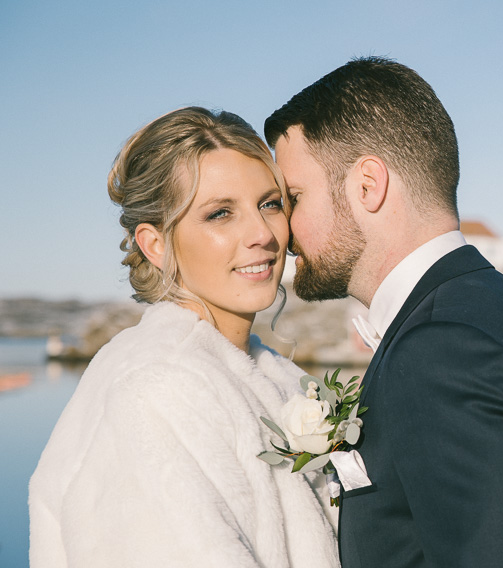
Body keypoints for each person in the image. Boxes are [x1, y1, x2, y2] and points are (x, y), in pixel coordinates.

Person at [265, 57, 503, 567]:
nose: (285, 230)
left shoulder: (442, 347)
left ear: (368, 185)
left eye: (294, 196)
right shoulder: (501, 310)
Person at [29, 107, 340, 568]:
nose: (262, 234)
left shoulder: (269, 373)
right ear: (155, 244)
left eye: (270, 203)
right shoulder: (159, 389)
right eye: (220, 214)